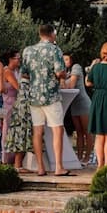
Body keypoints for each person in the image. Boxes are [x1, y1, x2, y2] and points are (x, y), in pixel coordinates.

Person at [20, 23, 68, 176]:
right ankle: (58, 167)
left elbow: (24, 73)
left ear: (40, 34)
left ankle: (40, 167)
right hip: (51, 95)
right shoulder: (54, 49)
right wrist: (64, 75)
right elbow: (60, 72)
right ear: (52, 34)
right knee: (57, 129)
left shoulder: (28, 50)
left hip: (34, 95)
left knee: (37, 131)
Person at [63, 52, 92, 164]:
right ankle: (79, 157)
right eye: (63, 60)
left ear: (71, 59)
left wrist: (61, 80)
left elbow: (71, 85)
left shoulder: (76, 67)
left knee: (87, 132)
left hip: (83, 104)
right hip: (74, 105)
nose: (64, 62)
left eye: (66, 59)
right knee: (79, 132)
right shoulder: (66, 71)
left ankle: (87, 157)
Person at [1, 50, 20, 164]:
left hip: (13, 103)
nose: (19, 60)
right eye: (17, 58)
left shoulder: (16, 71)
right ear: (10, 59)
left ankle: (11, 157)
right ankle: (5, 157)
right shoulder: (7, 71)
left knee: (11, 129)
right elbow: (18, 87)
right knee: (6, 129)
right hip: (7, 104)